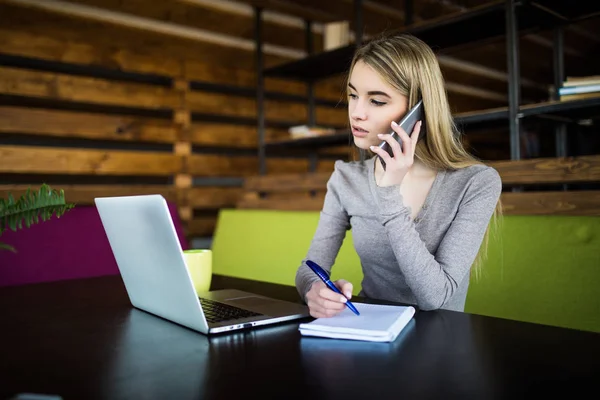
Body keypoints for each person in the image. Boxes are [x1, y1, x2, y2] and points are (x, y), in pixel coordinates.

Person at [295, 33, 503, 318]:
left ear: (419, 110)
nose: (356, 113)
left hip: (441, 341)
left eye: (377, 101)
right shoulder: (346, 178)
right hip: (369, 332)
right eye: (353, 95)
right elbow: (311, 266)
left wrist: (389, 193)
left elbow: (436, 297)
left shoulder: (476, 182)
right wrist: (313, 290)